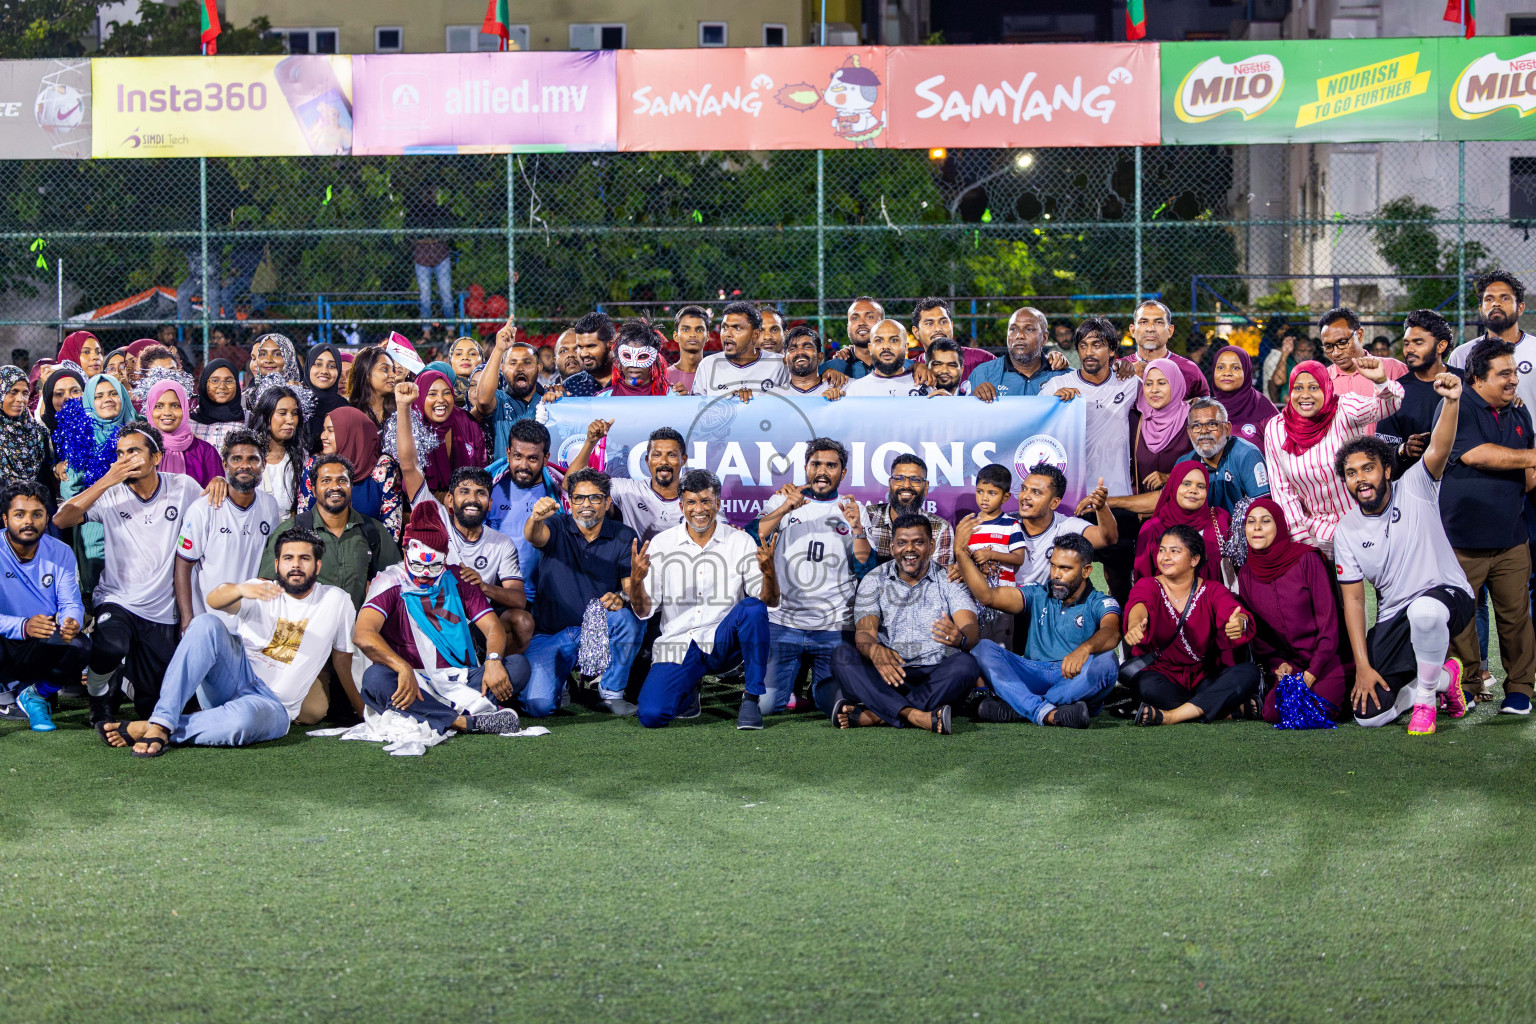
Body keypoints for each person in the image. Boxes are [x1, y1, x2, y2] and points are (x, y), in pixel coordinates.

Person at [97, 528, 360, 757]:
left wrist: (360, 710)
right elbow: (214, 600)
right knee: (204, 623)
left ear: (318, 566)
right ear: (277, 563)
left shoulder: (336, 600)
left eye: (305, 558)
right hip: (234, 676)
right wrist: (240, 589)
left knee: (243, 721)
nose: (296, 565)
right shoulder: (260, 588)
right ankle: (163, 719)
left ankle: (156, 727)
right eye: (289, 558)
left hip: (272, 705)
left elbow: (342, 660)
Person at [1334, 371, 1473, 733]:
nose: (1361, 479)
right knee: (1370, 716)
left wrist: (1452, 401)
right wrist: (1363, 666)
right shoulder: (1346, 530)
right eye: (1351, 473)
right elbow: (1353, 603)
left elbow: (1440, 446)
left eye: (1368, 468)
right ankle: (1444, 679)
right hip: (1395, 617)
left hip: (1447, 595)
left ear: (1386, 469)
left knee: (1425, 612)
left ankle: (1426, 701)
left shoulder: (1415, 486)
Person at [53, 422, 204, 723]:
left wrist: (217, 484)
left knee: (153, 707)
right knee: (112, 645)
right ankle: (98, 693)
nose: (126, 459)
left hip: (162, 610)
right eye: (120, 453)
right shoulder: (110, 494)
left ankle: (123, 679)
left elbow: (212, 513)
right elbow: (61, 519)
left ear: (156, 457)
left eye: (134, 451)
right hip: (117, 598)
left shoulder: (183, 487)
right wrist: (107, 480)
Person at [354, 505, 529, 738]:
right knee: (375, 678)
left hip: (460, 676)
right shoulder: (389, 581)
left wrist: (493, 660)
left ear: (445, 558)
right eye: (417, 565)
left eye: (433, 566)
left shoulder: (459, 578)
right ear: (405, 550)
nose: (424, 573)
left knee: (518, 666)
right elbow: (363, 634)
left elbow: (493, 626)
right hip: (411, 679)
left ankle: (428, 714)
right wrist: (401, 666)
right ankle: (462, 722)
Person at [631, 469, 778, 729]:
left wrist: (769, 574)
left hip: (722, 642)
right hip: (677, 644)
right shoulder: (661, 544)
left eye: (706, 501)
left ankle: (751, 699)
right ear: (681, 505)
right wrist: (637, 582)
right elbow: (643, 611)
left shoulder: (740, 541)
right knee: (652, 716)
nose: (699, 509)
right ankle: (690, 686)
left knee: (752, 607)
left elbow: (768, 603)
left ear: (718, 503)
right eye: (691, 502)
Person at [1439, 339, 1536, 715]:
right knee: (1460, 619)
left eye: (1514, 372)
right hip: (1463, 539)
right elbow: (1476, 454)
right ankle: (1465, 686)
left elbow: (1528, 471)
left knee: (1516, 618)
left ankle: (1520, 690)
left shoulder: (1518, 412)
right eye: (1505, 374)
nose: (1514, 380)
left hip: (1512, 537)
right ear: (1478, 378)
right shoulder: (1457, 406)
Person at [828, 514, 979, 735]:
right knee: (842, 656)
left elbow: (970, 628)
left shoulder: (948, 579)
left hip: (934, 675)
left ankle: (875, 715)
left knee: (966, 665)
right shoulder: (874, 579)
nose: (909, 549)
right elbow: (864, 634)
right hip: (887, 673)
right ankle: (917, 716)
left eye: (918, 542)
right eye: (901, 543)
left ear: (932, 545)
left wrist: (961, 638)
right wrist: (875, 650)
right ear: (892, 546)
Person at [755, 440, 875, 716]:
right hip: (784, 621)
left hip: (833, 625)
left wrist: (857, 528)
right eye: (816, 464)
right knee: (765, 706)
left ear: (843, 473)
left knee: (833, 706)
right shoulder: (782, 500)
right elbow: (753, 535)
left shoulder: (853, 509)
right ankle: (790, 685)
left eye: (831, 465)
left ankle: (807, 688)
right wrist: (785, 507)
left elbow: (865, 570)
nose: (822, 471)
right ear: (806, 468)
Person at [958, 532, 1120, 728]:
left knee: (1107, 662)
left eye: (1065, 568)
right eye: (1053, 566)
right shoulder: (1038, 592)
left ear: (1086, 571)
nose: (1056, 575)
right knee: (983, 648)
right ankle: (1049, 711)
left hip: (1073, 678)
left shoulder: (1100, 602)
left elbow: (1112, 632)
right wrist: (961, 555)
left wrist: (1084, 649)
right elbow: (987, 597)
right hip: (1032, 673)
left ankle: (1021, 706)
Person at [520, 469, 646, 717]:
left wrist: (622, 596)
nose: (586, 505)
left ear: (607, 501)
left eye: (595, 498)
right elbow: (534, 536)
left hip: (594, 629)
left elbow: (629, 588)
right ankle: (564, 681)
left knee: (628, 619)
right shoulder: (556, 525)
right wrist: (535, 518)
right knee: (538, 706)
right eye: (578, 498)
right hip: (550, 634)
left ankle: (610, 693)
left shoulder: (623, 535)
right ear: (570, 501)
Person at [1263, 356, 1402, 557]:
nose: (1305, 395)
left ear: (1326, 388)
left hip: (1366, 522)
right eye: (1298, 388)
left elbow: (1387, 406)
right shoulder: (1276, 429)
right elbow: (1282, 489)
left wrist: (1381, 381)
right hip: (1316, 533)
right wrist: (1302, 542)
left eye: (1313, 387)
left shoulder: (1344, 408)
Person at [1123, 524, 1259, 726]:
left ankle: (1172, 716)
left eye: (1174, 551)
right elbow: (1139, 605)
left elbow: (1234, 612)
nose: (1165, 556)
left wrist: (1239, 622)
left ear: (1194, 560)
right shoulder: (1149, 584)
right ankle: (1225, 711)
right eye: (1162, 550)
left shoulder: (1212, 590)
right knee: (1147, 687)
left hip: (1204, 676)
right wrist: (1135, 624)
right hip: (1162, 675)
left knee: (1249, 672)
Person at [1044, 319, 1141, 601]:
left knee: (1121, 583)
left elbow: (1162, 384)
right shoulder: (1058, 385)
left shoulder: (1131, 383)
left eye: (1097, 345)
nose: (1089, 351)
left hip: (1115, 500)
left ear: (1112, 350)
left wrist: (1134, 367)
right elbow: (1032, 424)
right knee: (1068, 582)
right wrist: (1053, 405)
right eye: (1083, 345)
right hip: (1072, 502)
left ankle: (1127, 641)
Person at [1237, 499, 1346, 724]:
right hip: (1291, 666)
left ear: (1279, 526)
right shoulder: (1246, 574)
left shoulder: (1307, 559)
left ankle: (1345, 684)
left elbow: (1329, 626)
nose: (1256, 527)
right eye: (1251, 522)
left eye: (1265, 521)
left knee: (1319, 710)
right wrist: (1279, 666)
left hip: (1325, 661)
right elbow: (1262, 638)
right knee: (1272, 713)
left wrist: (1311, 674)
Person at [0, 481, 91, 732]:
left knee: (80, 644)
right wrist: (23, 626)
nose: (29, 521)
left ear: (47, 518)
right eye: (19, 514)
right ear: (5, 519)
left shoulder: (60, 551)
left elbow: (70, 601)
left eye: (37, 514)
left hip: (41, 640)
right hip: (7, 639)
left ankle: (36, 695)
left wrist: (71, 620)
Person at [260, 453, 400, 612]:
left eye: (342, 480)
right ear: (313, 489)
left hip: (356, 632)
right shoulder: (290, 531)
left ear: (351, 487)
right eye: (326, 481)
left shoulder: (373, 531)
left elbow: (395, 583)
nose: (335, 486)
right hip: (306, 632)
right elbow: (264, 585)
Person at [174, 429, 282, 624]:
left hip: (252, 623)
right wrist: (187, 619)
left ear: (263, 465)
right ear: (225, 464)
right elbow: (183, 565)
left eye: (253, 459)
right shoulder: (202, 509)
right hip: (208, 619)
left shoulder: (270, 505)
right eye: (237, 459)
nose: (245, 466)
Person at [977, 463, 1115, 588]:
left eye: (1036, 492)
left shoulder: (1065, 526)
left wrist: (1102, 507)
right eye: (1024, 489)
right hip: (1005, 605)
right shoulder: (1004, 524)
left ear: (1054, 503)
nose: (1025, 496)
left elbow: (1107, 538)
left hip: (1043, 608)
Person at [568, 419, 689, 542]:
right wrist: (590, 442)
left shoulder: (695, 499)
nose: (663, 461)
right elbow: (571, 484)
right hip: (633, 560)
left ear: (683, 460)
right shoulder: (627, 490)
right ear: (647, 460)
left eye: (671, 455)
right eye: (657, 455)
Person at [485, 419, 562, 610]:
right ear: (508, 453)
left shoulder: (559, 491)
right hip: (498, 593)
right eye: (518, 456)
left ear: (545, 458)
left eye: (533, 458)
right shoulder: (488, 488)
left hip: (547, 595)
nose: (523, 465)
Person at [299, 406, 404, 539]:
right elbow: (304, 520)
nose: (323, 436)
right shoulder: (315, 465)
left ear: (351, 433)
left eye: (330, 431)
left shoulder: (382, 468)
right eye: (324, 430)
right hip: (322, 552)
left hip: (373, 551)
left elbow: (391, 527)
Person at [1377, 309, 1459, 469]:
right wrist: (1403, 450)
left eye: (1418, 343)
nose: (1409, 349)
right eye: (1406, 343)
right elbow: (1382, 450)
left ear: (1441, 346)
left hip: (1463, 481)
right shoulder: (1394, 392)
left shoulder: (1466, 383)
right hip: (1415, 483)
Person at [1447, 272, 1536, 412]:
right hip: (1478, 433)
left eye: (1505, 298)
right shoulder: (1461, 355)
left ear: (1520, 307)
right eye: (1489, 299)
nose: (1496, 303)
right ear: (1481, 308)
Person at [388, 373, 485, 497]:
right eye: (432, 394)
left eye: (446, 393)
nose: (441, 399)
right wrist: (403, 406)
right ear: (420, 397)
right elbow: (408, 468)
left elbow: (481, 468)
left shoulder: (466, 421)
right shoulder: (409, 427)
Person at [1173, 398, 1270, 518]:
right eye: (1197, 426)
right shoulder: (1183, 463)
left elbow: (1264, 509)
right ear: (1189, 432)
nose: (1204, 431)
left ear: (1227, 428)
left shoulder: (1247, 455)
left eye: (1212, 424)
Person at [1133, 462, 1228, 582]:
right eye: (1186, 484)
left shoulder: (1220, 519)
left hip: (1217, 599)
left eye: (1201, 486)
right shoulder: (1152, 529)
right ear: (1173, 485)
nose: (1193, 490)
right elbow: (1142, 582)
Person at [1318, 307, 1408, 424]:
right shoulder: (1321, 380)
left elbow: (1411, 412)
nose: (1336, 353)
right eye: (1329, 347)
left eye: (1342, 343)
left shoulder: (1392, 368)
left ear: (1359, 335)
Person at [864, 453, 954, 566]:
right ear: (890, 484)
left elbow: (939, 579)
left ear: (926, 487)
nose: (906, 485)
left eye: (915, 480)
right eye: (899, 479)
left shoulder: (940, 528)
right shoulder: (867, 517)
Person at [474, 323, 543, 462]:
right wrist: (499, 349)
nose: (520, 368)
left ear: (539, 368)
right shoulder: (499, 400)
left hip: (542, 480)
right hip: (505, 480)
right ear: (503, 368)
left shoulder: (550, 399)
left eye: (527, 362)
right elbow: (482, 399)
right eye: (513, 363)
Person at [690, 301, 789, 398]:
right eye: (724, 327)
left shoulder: (780, 364)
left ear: (755, 335)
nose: (727, 334)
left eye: (737, 328)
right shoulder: (707, 365)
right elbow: (697, 409)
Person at [966, 307, 1068, 400]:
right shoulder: (983, 374)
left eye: (1029, 329)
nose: (1019, 335)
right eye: (1013, 329)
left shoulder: (1064, 375)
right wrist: (975, 401)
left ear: (1044, 338)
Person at [1122, 300, 1210, 398]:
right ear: (1133, 330)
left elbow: (1205, 409)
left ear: (1170, 331)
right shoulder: (1118, 369)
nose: (1150, 328)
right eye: (1143, 322)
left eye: (1159, 322)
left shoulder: (1189, 369)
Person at [144, 379, 224, 487]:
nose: (167, 412)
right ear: (149, 409)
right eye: (159, 406)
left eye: (175, 405)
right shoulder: (142, 450)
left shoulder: (206, 452)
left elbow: (215, 499)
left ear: (185, 408)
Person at [248, 382, 309, 519]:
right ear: (266, 415)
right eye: (282, 413)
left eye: (294, 414)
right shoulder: (248, 455)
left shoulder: (301, 456)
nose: (290, 420)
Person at [1208, 345, 1279, 447]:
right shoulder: (1205, 409)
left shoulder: (1264, 408)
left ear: (1246, 371)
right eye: (1220, 367)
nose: (1227, 373)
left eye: (1236, 368)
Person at [909, 297, 994, 380]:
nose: (938, 329)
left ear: (952, 326)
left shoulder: (982, 360)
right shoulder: (910, 370)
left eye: (943, 322)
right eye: (929, 323)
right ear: (916, 332)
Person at [409, 184, 455, 327]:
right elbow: (411, 236)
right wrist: (429, 238)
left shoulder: (442, 211)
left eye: (432, 192)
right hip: (422, 258)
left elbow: (446, 234)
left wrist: (430, 237)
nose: (429, 195)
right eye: (426, 192)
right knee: (425, 297)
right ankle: (427, 331)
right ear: (421, 194)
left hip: (441, 257)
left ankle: (450, 330)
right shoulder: (414, 212)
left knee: (446, 294)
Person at [841, 319, 924, 396]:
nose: (886, 346)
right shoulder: (855, 391)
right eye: (879, 340)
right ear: (870, 348)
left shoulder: (925, 385)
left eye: (894, 340)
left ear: (905, 347)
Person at [602, 318, 673, 397]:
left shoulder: (671, 396)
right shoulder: (603, 398)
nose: (634, 364)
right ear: (619, 360)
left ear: (654, 360)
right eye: (627, 356)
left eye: (642, 356)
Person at [189, 359, 245, 450]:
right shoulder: (189, 422)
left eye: (229, 381)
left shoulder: (248, 420)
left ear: (237, 385)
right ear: (204, 384)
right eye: (215, 381)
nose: (222, 386)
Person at [304, 344, 351, 448]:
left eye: (331, 366)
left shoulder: (345, 408)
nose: (324, 371)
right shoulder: (295, 401)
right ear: (308, 367)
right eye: (318, 364)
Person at [834, 296, 887, 379]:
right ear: (848, 328)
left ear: (883, 325)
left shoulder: (908, 369)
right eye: (855, 318)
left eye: (870, 317)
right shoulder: (828, 370)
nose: (862, 323)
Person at [783, 326, 843, 397]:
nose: (800, 352)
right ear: (785, 361)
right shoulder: (774, 396)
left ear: (820, 357)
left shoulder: (843, 388)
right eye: (792, 349)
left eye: (807, 347)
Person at [347, 346, 398, 429]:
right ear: (366, 373)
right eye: (385, 369)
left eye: (392, 369)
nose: (393, 375)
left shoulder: (400, 408)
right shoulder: (348, 412)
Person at [666, 306, 711, 392]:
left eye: (699, 330)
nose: (693, 334)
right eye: (686, 329)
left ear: (707, 336)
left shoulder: (717, 375)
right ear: (676, 336)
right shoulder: (663, 377)